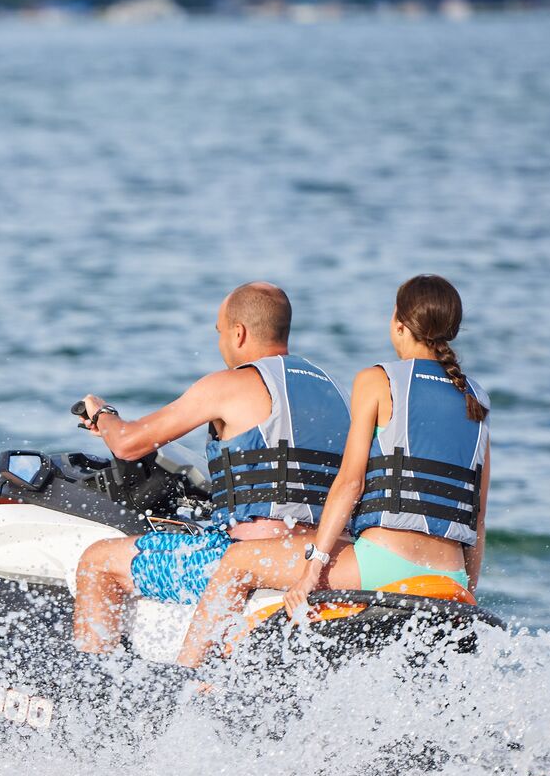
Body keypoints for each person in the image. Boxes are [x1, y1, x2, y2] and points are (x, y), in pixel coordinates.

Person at [175, 274, 490, 668]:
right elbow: (477, 515)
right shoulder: (475, 399)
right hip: (451, 579)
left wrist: (313, 568)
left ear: (398, 323)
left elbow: (349, 482)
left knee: (236, 564)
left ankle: (190, 679)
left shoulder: (378, 381)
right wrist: (465, 592)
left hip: (381, 566)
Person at [72, 282, 351, 653]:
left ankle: (96, 683)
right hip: (322, 556)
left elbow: (127, 442)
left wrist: (103, 415)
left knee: (98, 561)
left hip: (252, 555)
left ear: (239, 333)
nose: (220, 343)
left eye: (220, 332)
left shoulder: (232, 385)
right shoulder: (337, 390)